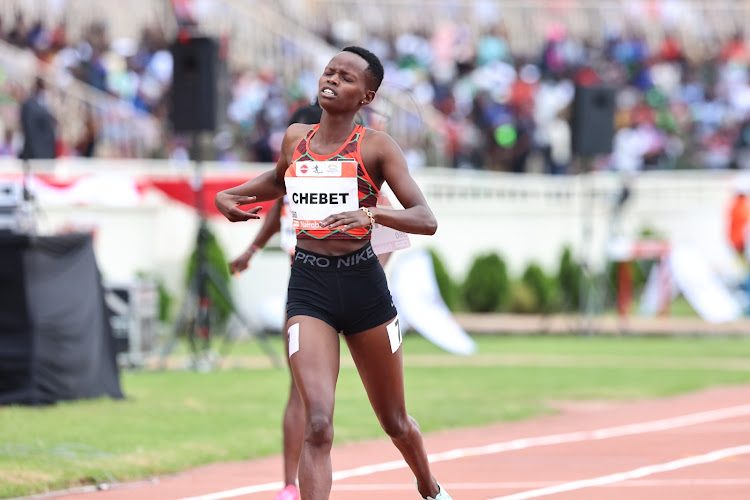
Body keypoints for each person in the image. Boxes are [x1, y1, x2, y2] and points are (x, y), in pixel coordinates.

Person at [216, 46, 451, 500]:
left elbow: (426, 218)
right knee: (318, 423)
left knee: (394, 421)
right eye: (329, 72)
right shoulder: (295, 139)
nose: (332, 80)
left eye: (346, 78)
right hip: (309, 286)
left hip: (364, 286)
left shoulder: (377, 147)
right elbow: (279, 180)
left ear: (366, 97)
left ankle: (429, 486)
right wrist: (233, 195)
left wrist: (374, 217)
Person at [229, 98, 395, 500]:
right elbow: (275, 210)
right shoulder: (295, 175)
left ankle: (424, 480)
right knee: (301, 395)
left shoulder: (349, 170)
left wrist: (370, 268)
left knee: (389, 414)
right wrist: (251, 251)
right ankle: (289, 485)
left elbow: (391, 221)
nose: (295, 152)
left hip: (356, 289)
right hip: (306, 289)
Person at [19, 77, 57, 160]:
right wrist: (36, 154)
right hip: (36, 155)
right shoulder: (29, 105)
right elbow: (30, 130)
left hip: (46, 153)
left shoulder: (44, 104)